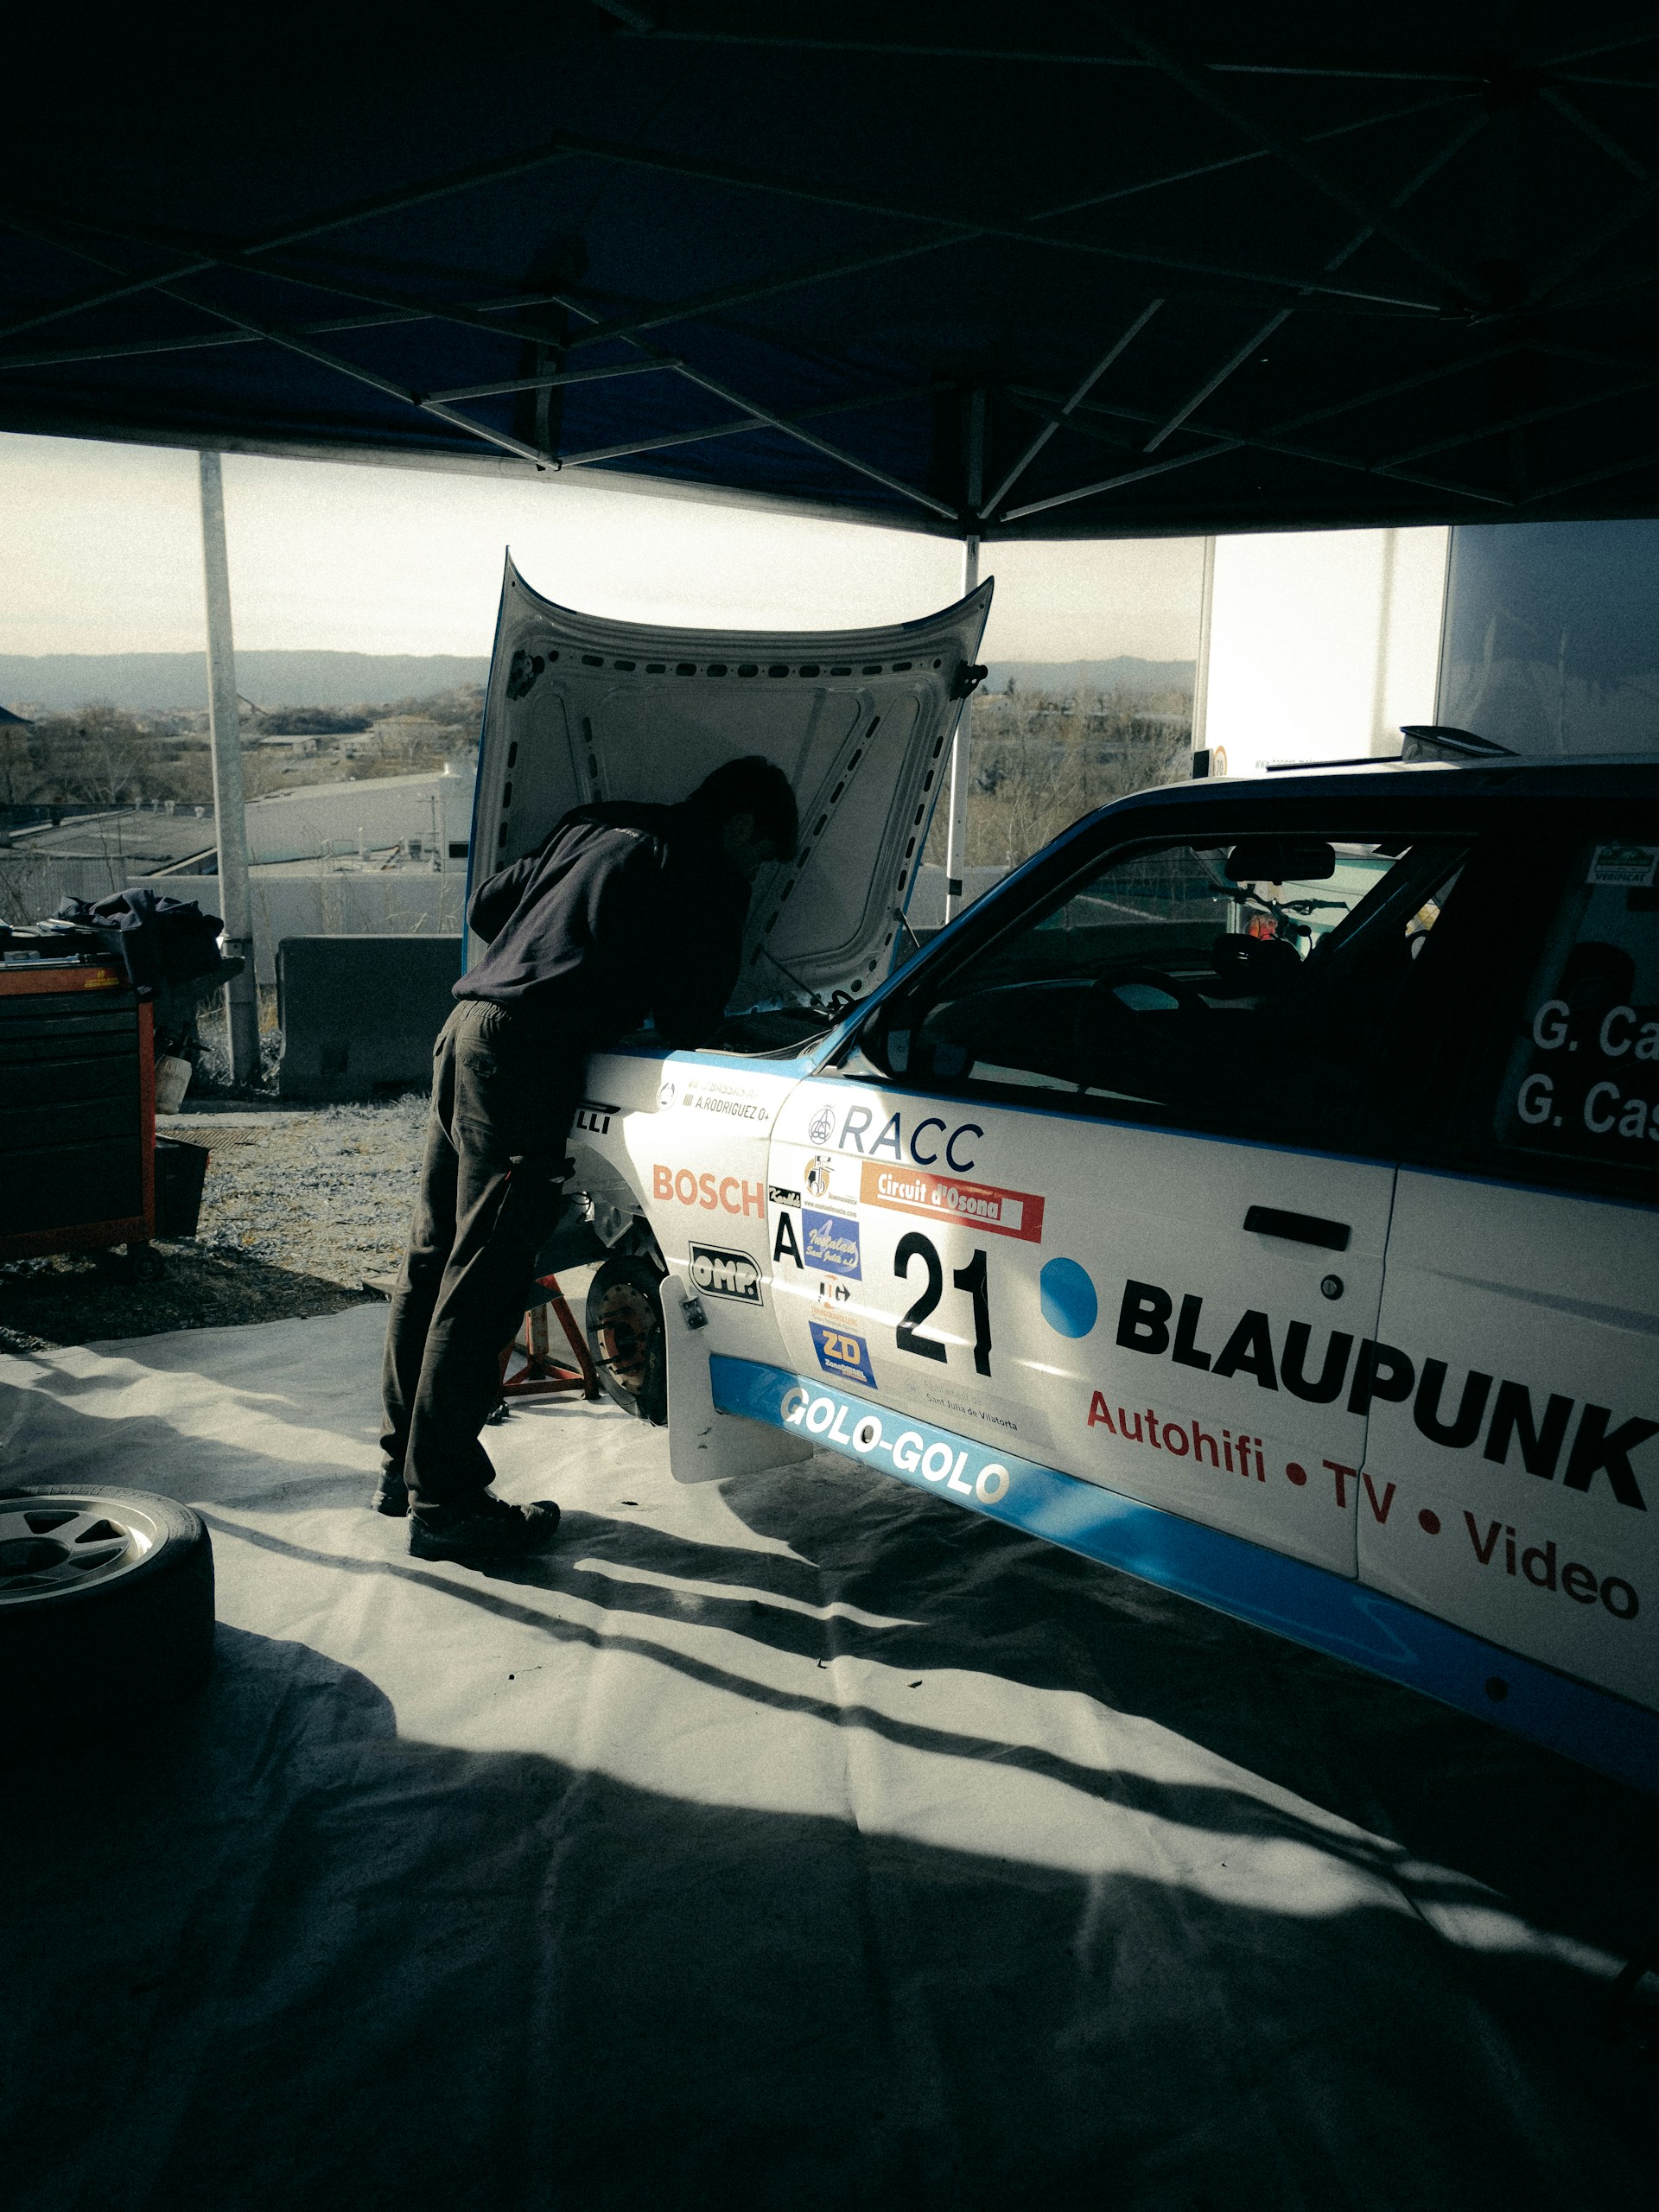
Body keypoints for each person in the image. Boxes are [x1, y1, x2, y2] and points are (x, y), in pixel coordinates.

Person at [375, 756, 798, 1561]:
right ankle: (449, 1504)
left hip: (465, 1030)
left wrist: (557, 945)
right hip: (529, 1059)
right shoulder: (706, 868)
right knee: (489, 1275)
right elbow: (691, 1016)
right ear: (743, 826)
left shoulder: (598, 818)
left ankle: (402, 1469)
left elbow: (490, 903)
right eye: (762, 854)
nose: (757, 873)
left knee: (432, 1262)